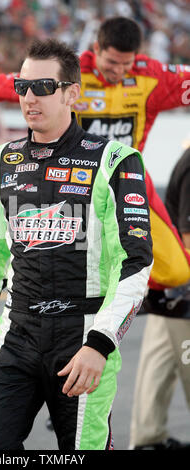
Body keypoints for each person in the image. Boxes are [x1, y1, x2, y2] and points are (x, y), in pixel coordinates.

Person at [0, 38, 153, 450]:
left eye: (43, 87)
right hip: (16, 333)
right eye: (21, 86)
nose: (30, 97)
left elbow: (135, 263)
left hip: (82, 335)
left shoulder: (115, 160)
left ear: (72, 93)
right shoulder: (0, 161)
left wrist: (101, 343)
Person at [0, 16, 190, 292]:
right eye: (112, 63)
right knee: (66, 271)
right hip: (75, 185)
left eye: (125, 64)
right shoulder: (67, 74)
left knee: (177, 272)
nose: (118, 71)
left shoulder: (152, 77)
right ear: (97, 49)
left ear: (136, 58)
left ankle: (128, 287)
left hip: (129, 182)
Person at [129, 146, 190, 450]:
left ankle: (147, 438)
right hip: (182, 288)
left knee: (158, 362)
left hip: (169, 292)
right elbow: (188, 235)